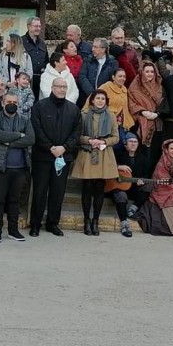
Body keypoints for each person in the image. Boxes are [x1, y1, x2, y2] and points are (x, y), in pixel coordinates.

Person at [29, 77, 81, 237]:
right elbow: (36, 129)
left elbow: (76, 132)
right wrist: (50, 147)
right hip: (42, 157)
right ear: (52, 88)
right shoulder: (40, 106)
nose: (62, 89)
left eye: (64, 87)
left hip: (63, 158)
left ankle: (53, 223)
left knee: (58, 192)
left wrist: (64, 148)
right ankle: (35, 224)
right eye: (58, 86)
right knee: (39, 192)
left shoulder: (73, 109)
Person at [72, 90, 120, 236]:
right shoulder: (84, 114)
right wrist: (88, 140)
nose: (100, 101)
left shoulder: (111, 115)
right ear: (92, 100)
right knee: (87, 187)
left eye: (103, 98)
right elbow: (77, 134)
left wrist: (103, 141)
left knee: (100, 187)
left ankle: (96, 221)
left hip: (104, 154)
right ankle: (86, 220)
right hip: (87, 153)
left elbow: (116, 137)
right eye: (97, 98)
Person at [0, 92, 34, 243]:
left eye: (15, 102)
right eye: (9, 101)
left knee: (15, 200)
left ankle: (13, 230)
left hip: (20, 167)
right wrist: (19, 135)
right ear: (3, 103)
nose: (12, 104)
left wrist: (11, 141)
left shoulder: (25, 119)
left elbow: (30, 139)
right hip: (1, 166)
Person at [128, 62, 165, 155]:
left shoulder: (159, 86)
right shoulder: (135, 86)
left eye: (152, 71)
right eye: (147, 71)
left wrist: (157, 114)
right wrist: (143, 111)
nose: (150, 74)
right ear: (142, 72)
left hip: (156, 122)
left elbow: (163, 102)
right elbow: (131, 101)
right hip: (139, 121)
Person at [89, 68, 134, 141]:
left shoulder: (124, 89)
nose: (122, 78)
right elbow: (92, 99)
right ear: (113, 77)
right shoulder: (106, 87)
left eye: (124, 76)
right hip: (107, 122)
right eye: (120, 76)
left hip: (121, 124)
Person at [23, 17, 49, 95]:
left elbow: (46, 61)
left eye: (39, 26)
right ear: (29, 27)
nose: (38, 28)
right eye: (35, 26)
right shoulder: (21, 42)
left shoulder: (42, 44)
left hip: (40, 80)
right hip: (26, 80)